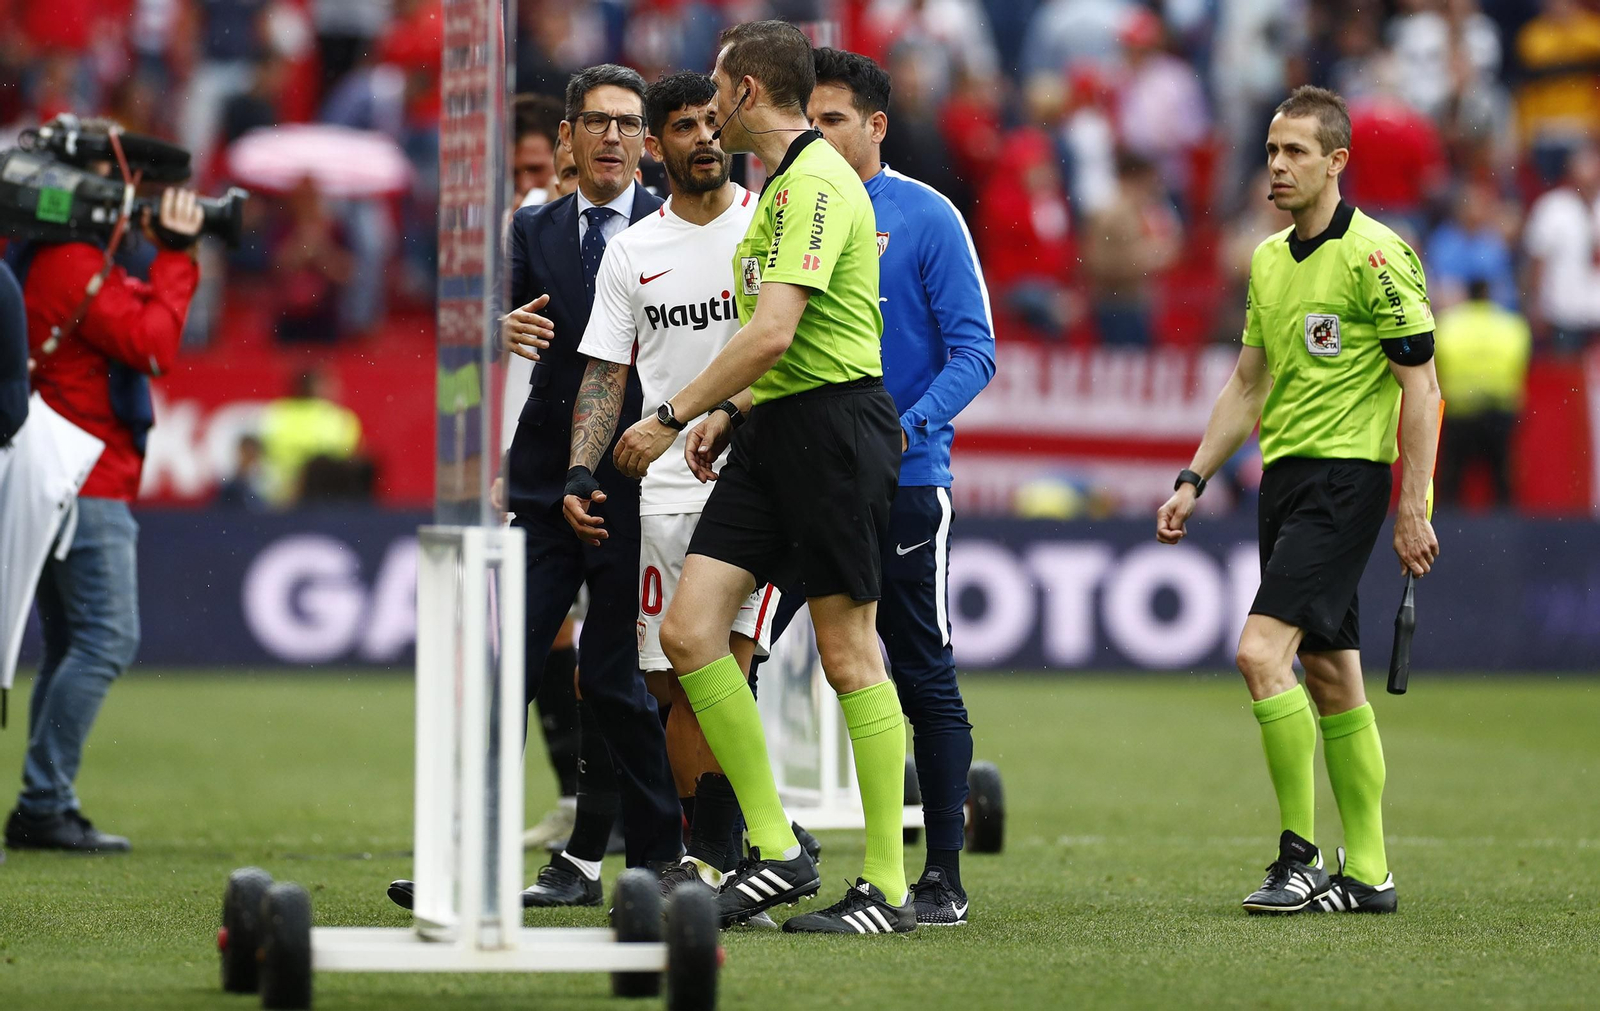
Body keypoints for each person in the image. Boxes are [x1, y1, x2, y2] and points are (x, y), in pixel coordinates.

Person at [610, 20, 911, 935]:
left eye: (717, 88)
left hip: (834, 430)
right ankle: (777, 849)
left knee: (849, 650)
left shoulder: (817, 180)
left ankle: (889, 889)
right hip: (775, 429)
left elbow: (775, 330)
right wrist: (733, 413)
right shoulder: (784, 186)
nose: (708, 108)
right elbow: (783, 343)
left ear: (745, 92)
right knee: (691, 631)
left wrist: (670, 415)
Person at [1156, 86, 1441, 916]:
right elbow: (1248, 382)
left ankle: (1299, 854)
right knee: (1328, 671)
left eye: (1296, 153)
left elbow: (1420, 387)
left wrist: (1412, 503)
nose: (1276, 166)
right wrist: (1194, 475)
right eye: (1272, 151)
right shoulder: (1269, 260)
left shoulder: (1378, 255)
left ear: (1336, 162)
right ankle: (1371, 873)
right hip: (1284, 481)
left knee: (1258, 653)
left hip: (1347, 479)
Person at [561, 71, 783, 909]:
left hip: (755, 482)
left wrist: (719, 412)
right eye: (682, 127)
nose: (701, 139)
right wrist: (584, 466)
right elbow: (604, 371)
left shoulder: (765, 226)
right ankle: (720, 846)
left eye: (709, 123)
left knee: (720, 666)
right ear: (657, 145)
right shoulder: (633, 250)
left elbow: (788, 345)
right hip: (660, 492)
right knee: (666, 681)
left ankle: (732, 850)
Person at [801, 47, 996, 926]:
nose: (816, 133)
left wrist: (902, 429)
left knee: (920, 670)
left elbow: (975, 351)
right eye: (807, 118)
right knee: (730, 641)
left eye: (833, 118)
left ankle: (941, 876)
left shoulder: (925, 217)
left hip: (907, 480)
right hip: (797, 477)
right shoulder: (783, 208)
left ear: (876, 125)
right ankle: (743, 849)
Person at [500, 64, 684, 904]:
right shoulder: (531, 231)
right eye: (597, 122)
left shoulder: (674, 225)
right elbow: (490, 323)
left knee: (611, 677)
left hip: (632, 485)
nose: (612, 136)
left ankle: (654, 857)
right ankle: (466, 852)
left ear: (647, 143)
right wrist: (496, 327)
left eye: (628, 123)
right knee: (499, 671)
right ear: (568, 137)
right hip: (541, 483)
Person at [7, 172, 204, 854]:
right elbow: (151, 342)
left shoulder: (39, 255)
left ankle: (47, 800)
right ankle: (42, 800)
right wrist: (177, 256)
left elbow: (128, 318)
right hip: (85, 472)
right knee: (107, 637)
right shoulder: (72, 261)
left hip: (60, 467)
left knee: (71, 640)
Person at [1434, 278, 1531, 509]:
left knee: (1451, 479)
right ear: (1489, 295)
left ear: (1468, 295)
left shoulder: (1448, 324)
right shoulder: (1512, 326)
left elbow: (1436, 363)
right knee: (1502, 479)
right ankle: (1507, 534)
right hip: (1499, 411)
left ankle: (1445, 534)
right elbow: (1520, 363)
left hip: (1459, 412)